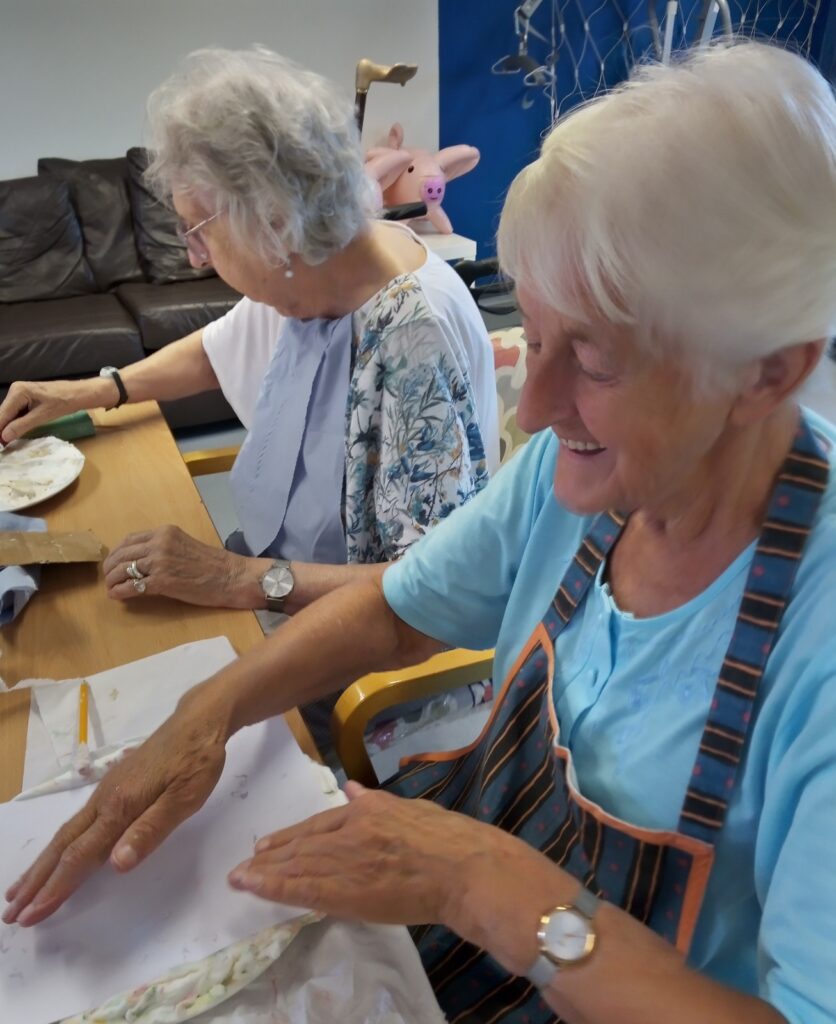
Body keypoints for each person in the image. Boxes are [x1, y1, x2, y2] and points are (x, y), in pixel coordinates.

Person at [5, 40, 836, 1024]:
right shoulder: (575, 474)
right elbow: (398, 612)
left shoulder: (811, 639)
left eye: (596, 361)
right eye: (532, 333)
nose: (528, 406)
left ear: (769, 372)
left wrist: (479, 883)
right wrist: (209, 711)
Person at [0, 47, 498, 618]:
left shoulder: (412, 334)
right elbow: (217, 351)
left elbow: (430, 587)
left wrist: (238, 578)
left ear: (274, 221)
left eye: (197, 231)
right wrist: (90, 389)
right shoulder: (314, 267)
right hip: (273, 581)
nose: (193, 259)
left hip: (355, 645)